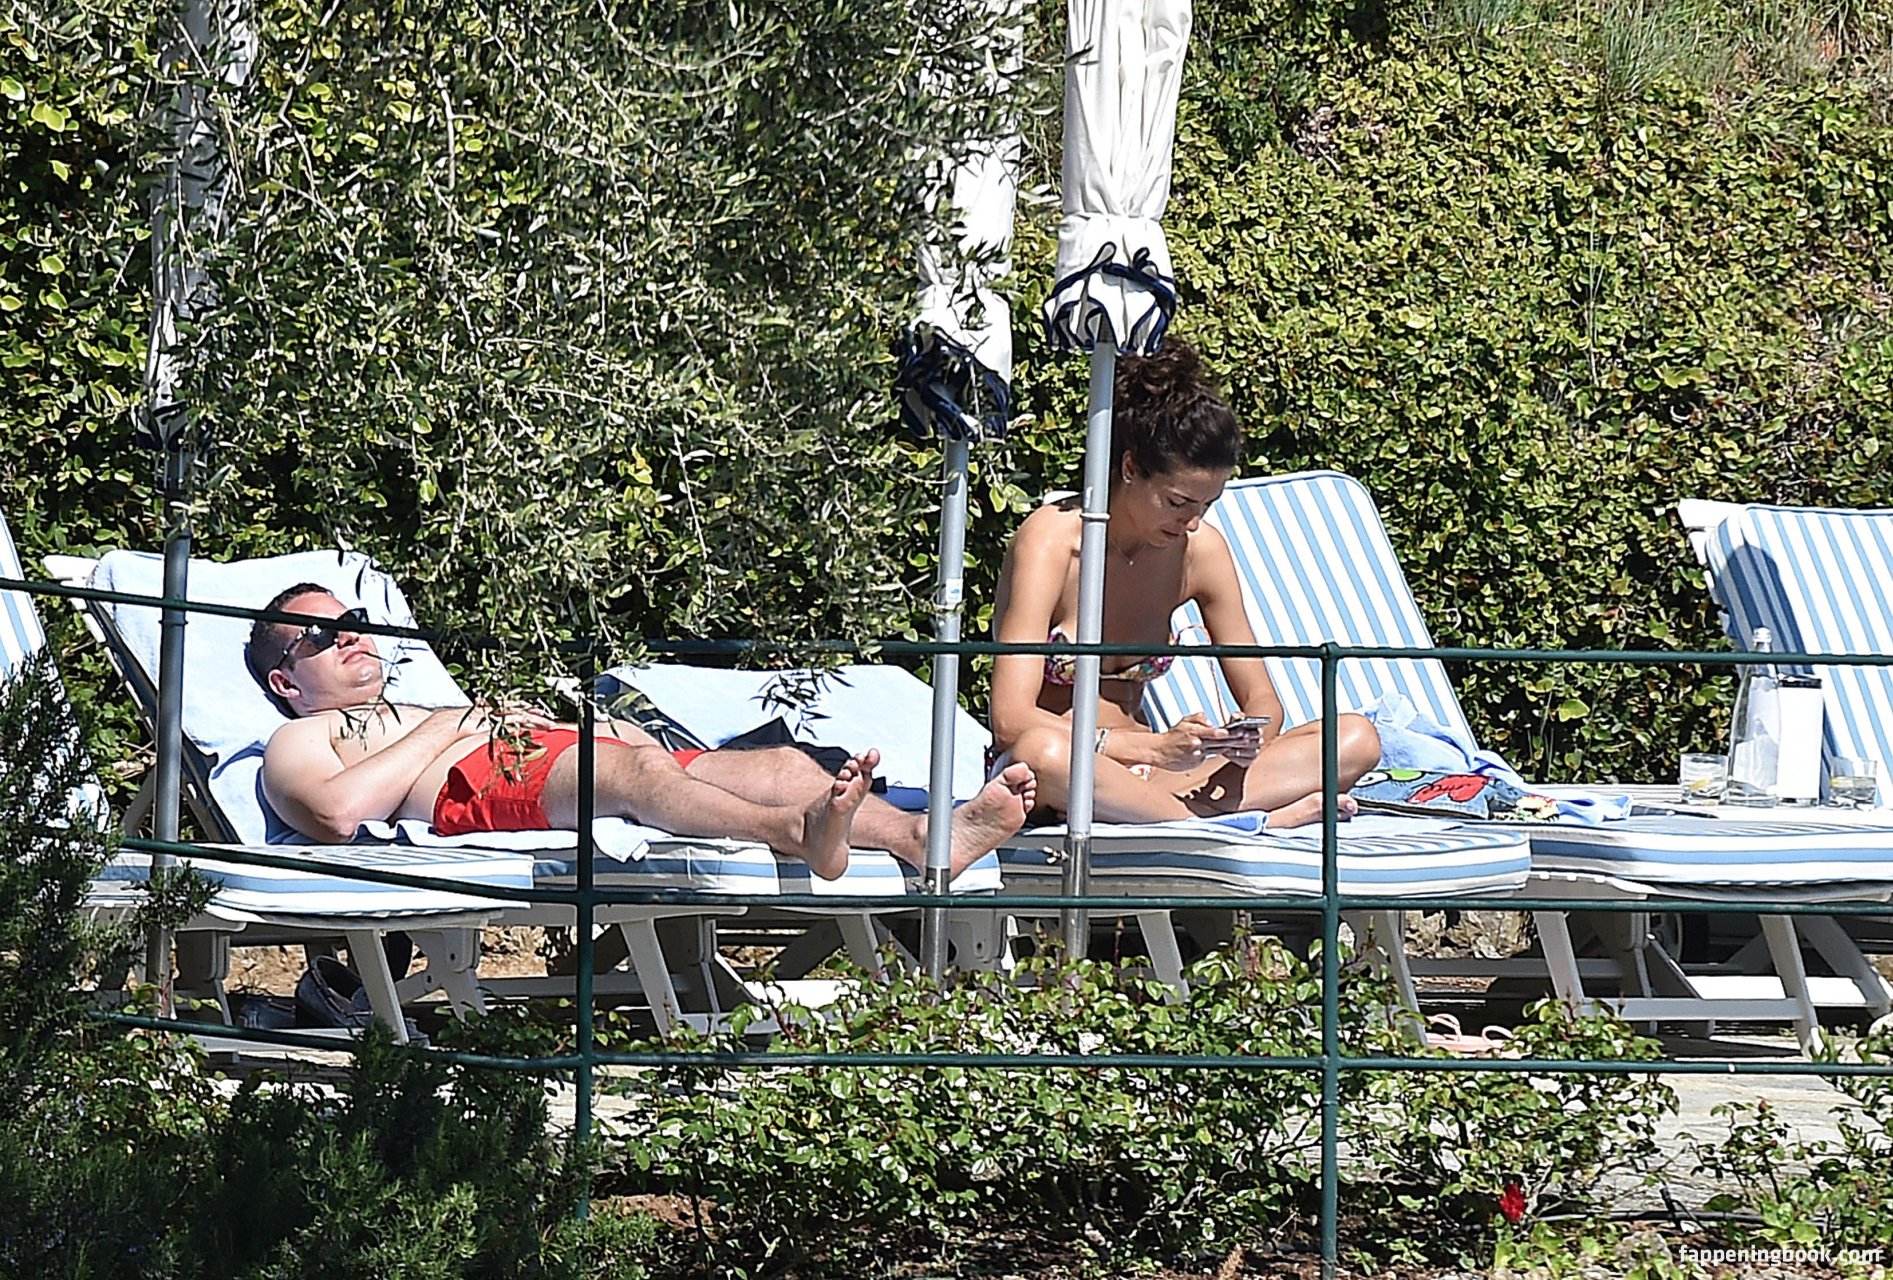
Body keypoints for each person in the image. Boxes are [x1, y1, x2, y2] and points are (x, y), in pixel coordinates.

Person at [248, 586, 1036, 880]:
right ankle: (796, 833)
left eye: (354, 621)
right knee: (637, 778)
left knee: (778, 763)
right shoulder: (298, 739)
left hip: (555, 755)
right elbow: (335, 814)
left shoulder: (423, 703)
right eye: (321, 637)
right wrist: (451, 725)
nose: (351, 637)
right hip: (483, 782)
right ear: (286, 682)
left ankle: (922, 836)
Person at [988, 341, 1380, 828]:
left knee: (1354, 738)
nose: (1191, 522)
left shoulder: (1200, 551)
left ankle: (1185, 815)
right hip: (1067, 775)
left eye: (1207, 505)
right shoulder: (1051, 542)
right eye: (1177, 502)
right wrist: (1151, 747)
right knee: (1041, 751)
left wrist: (1242, 737)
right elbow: (1009, 719)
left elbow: (1263, 700)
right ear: (1130, 468)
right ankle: (1240, 821)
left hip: (1156, 778)